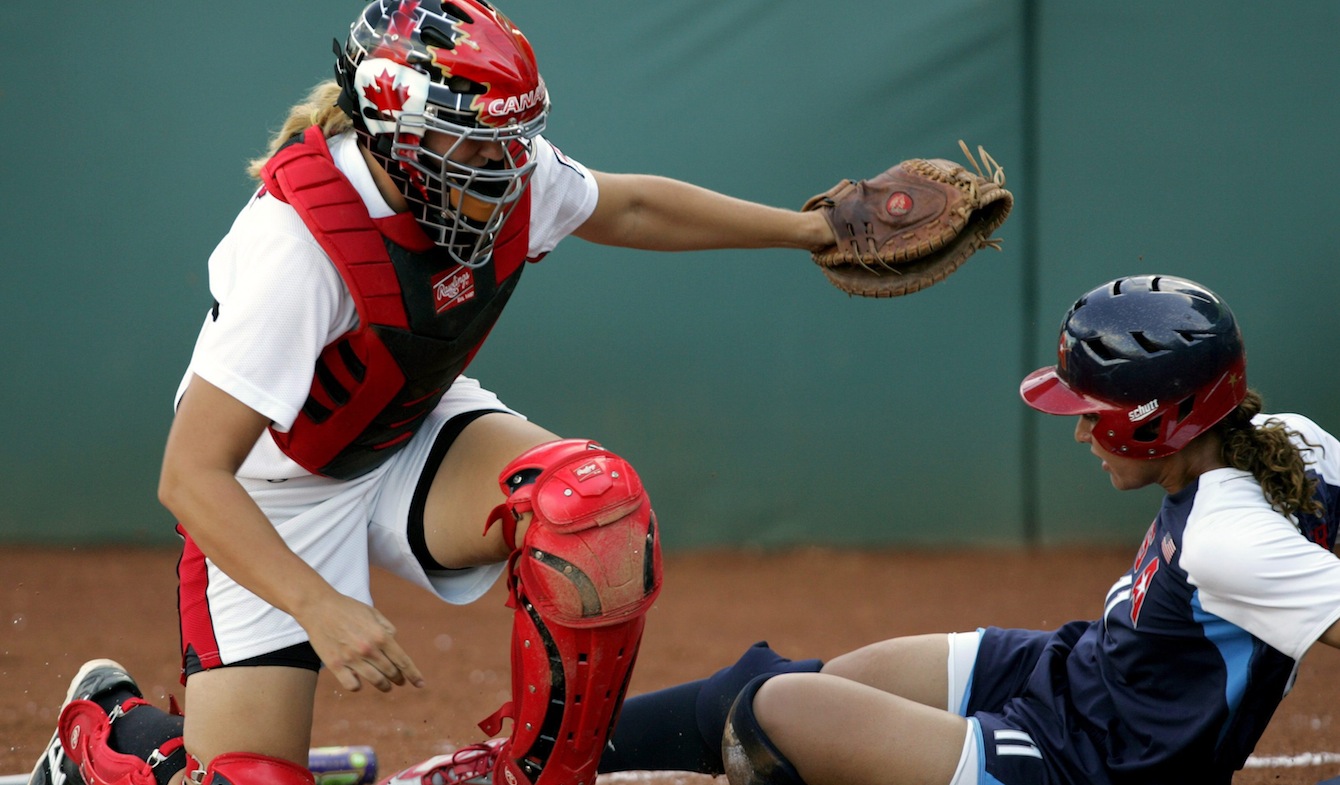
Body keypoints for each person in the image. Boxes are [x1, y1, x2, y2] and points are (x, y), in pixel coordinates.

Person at [25, 2, 842, 785]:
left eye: (514, 143)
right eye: (478, 149)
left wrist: (811, 230)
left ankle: (531, 776)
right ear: (398, 137)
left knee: (593, 510)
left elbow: (625, 205)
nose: (509, 168)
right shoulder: (298, 246)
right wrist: (319, 604)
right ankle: (103, 733)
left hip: (403, 431)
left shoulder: (492, 174)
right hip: (270, 494)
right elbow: (191, 474)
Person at [446, 273, 1339, 785]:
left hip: (1093, 763)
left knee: (775, 714)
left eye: (1094, 411)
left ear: (1156, 416)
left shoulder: (1235, 537)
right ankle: (529, 762)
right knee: (789, 682)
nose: (1078, 430)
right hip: (1075, 675)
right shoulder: (1281, 443)